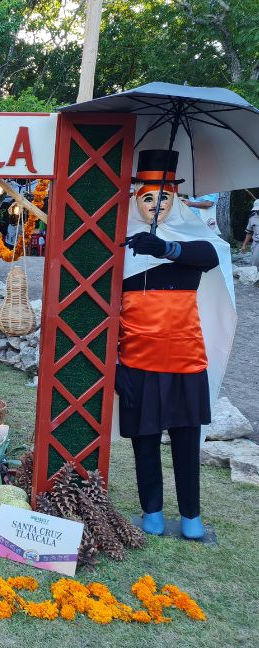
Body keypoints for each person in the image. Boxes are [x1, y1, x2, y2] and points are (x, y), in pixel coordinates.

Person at [116, 150, 235, 541]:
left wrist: (166, 249)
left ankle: (191, 517)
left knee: (185, 441)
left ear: (176, 201)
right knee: (144, 440)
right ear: (136, 200)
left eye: (163, 198)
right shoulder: (125, 243)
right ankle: (151, 511)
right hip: (137, 358)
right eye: (147, 198)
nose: (155, 206)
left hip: (184, 358)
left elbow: (208, 255)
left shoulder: (193, 240)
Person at [240, 199, 259, 268]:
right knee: (255, 264)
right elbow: (249, 232)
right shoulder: (252, 217)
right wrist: (244, 245)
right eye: (257, 210)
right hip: (257, 243)